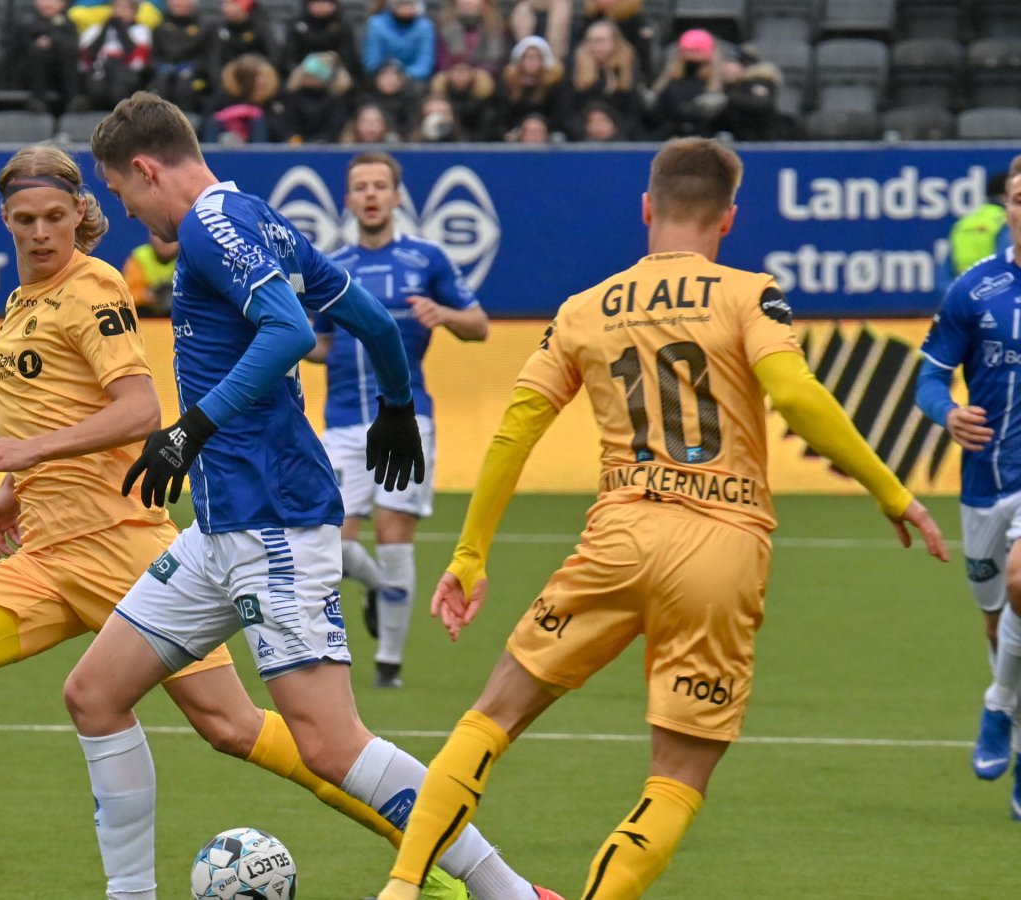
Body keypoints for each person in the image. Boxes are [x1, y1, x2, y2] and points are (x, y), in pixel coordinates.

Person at [0, 143, 522, 900]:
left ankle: (473, 876)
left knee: (291, 736)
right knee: (20, 683)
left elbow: (153, 403)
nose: (77, 223)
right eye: (27, 219)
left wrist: (188, 430)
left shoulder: (158, 256)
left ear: (132, 176)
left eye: (88, 202)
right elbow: (367, 319)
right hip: (127, 542)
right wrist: (22, 483)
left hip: (181, 532)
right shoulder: (63, 288)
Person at [377, 137, 948, 900]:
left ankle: (402, 885)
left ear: (647, 209)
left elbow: (517, 426)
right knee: (676, 778)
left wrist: (472, 555)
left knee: (489, 720)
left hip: (620, 535)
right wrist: (892, 492)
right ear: (729, 220)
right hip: (724, 544)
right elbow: (797, 396)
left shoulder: (584, 308)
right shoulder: (750, 293)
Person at [63, 91, 561, 900]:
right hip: (221, 527)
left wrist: (192, 429)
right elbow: (369, 314)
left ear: (147, 169)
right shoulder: (258, 216)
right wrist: (397, 400)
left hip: (274, 524)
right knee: (94, 693)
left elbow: (292, 330)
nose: (126, 212)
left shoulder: (207, 227)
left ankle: (509, 891)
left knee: (330, 743)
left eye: (122, 193)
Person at [308, 151, 488, 688]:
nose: (369, 194)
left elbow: (478, 325)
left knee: (394, 534)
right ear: (347, 199)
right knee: (328, 544)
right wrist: (289, 343)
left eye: (379, 186)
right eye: (360, 186)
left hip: (407, 419)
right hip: (341, 421)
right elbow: (320, 343)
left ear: (396, 197)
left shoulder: (426, 259)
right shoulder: (330, 265)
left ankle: (388, 664)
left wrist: (446, 315)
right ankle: (374, 587)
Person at [916, 155, 1021, 813]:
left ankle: (998, 704)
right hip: (986, 480)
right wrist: (948, 413)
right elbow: (928, 377)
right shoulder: (974, 290)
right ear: (1006, 204)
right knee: (997, 622)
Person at [949, 171, 1012, 279]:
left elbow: (945, 273)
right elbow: (1009, 265)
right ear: (1005, 197)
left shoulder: (965, 223)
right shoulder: (1008, 221)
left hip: (966, 289)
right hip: (997, 289)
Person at [122, 226, 178, 315]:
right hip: (146, 316)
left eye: (171, 236)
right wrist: (147, 296)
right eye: (159, 235)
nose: (165, 241)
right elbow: (126, 296)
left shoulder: (188, 257)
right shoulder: (139, 257)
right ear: (151, 236)